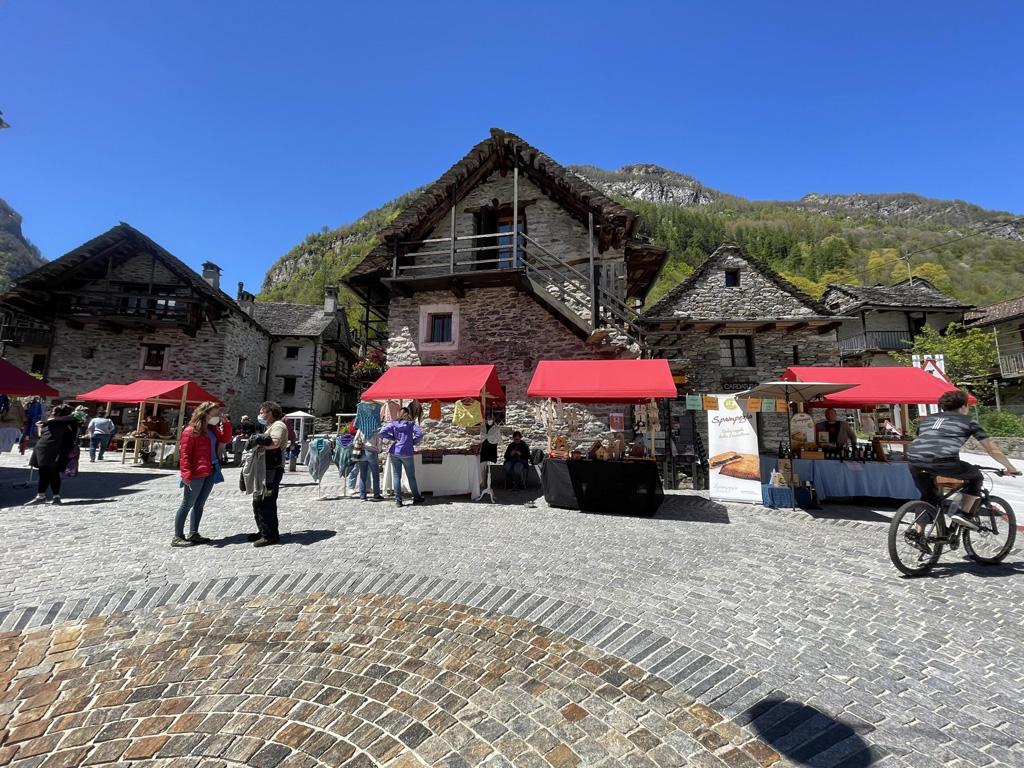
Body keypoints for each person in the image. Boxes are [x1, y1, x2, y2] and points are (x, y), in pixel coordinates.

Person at [906, 390, 1020, 547]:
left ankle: (918, 535)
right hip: (943, 461)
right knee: (976, 476)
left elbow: (928, 440)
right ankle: (962, 513)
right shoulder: (968, 421)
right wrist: (1010, 467)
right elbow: (991, 449)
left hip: (914, 461)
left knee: (928, 497)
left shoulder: (929, 419)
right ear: (964, 406)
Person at [172, 402, 230, 547]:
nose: (217, 416)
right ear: (205, 413)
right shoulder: (190, 431)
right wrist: (185, 474)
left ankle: (194, 533)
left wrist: (226, 424)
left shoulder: (212, 429)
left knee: (200, 504)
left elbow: (225, 439)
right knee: (187, 504)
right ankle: (177, 536)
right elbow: (184, 454)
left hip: (211, 470)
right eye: (215, 414)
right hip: (196, 473)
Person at [249, 401, 289, 546]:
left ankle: (270, 535)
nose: (260, 414)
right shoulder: (270, 426)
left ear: (270, 412)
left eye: (262, 412)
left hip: (272, 469)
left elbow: (275, 443)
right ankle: (263, 531)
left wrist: (259, 445)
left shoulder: (278, 425)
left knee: (267, 502)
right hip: (265, 469)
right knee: (258, 501)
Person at [24, 404, 79, 505]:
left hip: (55, 452)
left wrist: (46, 422)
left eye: (53, 411)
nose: (51, 413)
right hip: (43, 450)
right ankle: (41, 496)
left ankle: (55, 497)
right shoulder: (52, 423)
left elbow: (71, 419)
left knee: (53, 472)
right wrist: (41, 426)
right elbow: (42, 435)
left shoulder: (67, 422)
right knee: (44, 473)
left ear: (58, 413)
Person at [379, 406, 424, 506]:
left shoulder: (393, 424)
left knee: (396, 476)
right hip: (407, 452)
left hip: (395, 452)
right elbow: (420, 434)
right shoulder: (411, 424)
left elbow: (381, 432)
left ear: (399, 414)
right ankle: (416, 497)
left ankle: (398, 500)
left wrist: (392, 438)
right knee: (411, 477)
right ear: (407, 414)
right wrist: (412, 442)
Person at [355, 428, 384, 502]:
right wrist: (379, 450)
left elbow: (355, 439)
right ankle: (376, 494)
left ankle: (362, 495)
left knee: (362, 475)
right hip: (372, 451)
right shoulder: (376, 429)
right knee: (375, 474)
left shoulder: (361, 428)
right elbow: (379, 441)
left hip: (361, 451)